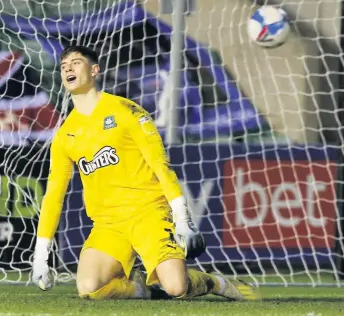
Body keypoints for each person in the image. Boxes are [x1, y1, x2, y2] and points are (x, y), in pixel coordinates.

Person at [31, 45, 261, 301]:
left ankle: (216, 283)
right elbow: (54, 195)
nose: (68, 69)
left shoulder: (127, 111)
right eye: (64, 67)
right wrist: (41, 254)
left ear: (95, 70)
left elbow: (160, 166)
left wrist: (182, 219)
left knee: (176, 287)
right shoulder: (65, 135)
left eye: (75, 63)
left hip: (148, 213)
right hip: (108, 225)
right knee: (90, 289)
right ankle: (142, 288)